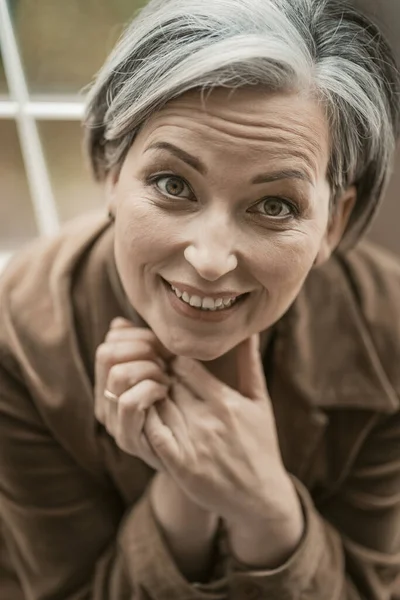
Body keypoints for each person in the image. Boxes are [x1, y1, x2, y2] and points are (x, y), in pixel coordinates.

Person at [1, 0, 400, 597]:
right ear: (113, 172)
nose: (210, 261)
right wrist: (186, 495)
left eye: (274, 205)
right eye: (173, 185)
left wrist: (267, 513)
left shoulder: (391, 331)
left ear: (333, 224)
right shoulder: (16, 339)